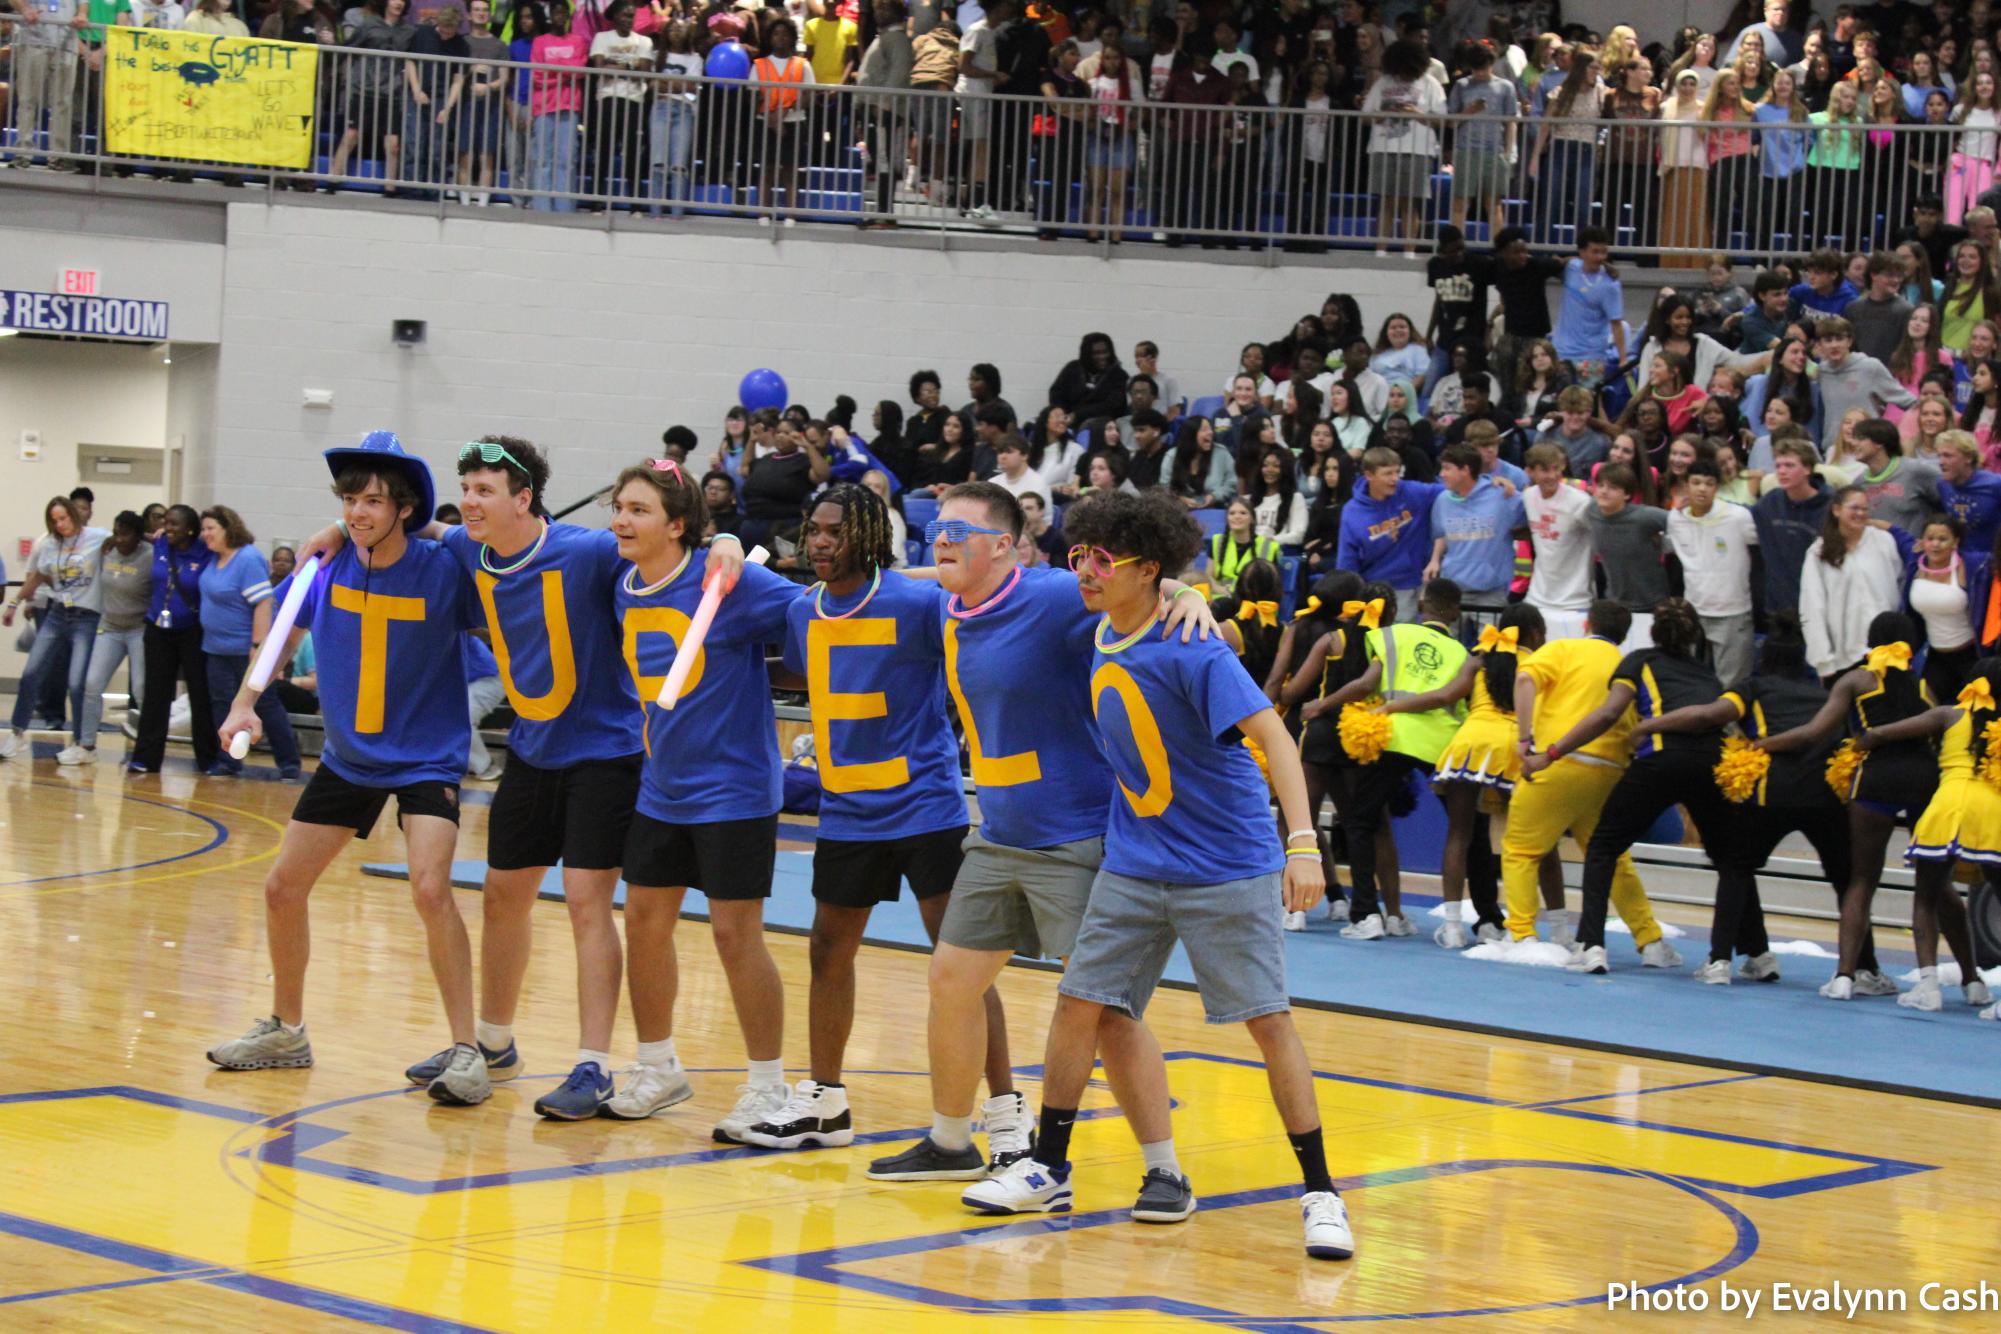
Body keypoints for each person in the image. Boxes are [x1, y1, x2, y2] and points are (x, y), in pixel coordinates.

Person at [958, 489, 1353, 1263]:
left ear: (1146, 569)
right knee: (1079, 1004)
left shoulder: (1193, 648)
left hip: (1226, 864)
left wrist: (1302, 843)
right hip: (1135, 860)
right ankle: (1051, 1163)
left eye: (1102, 559)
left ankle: (1321, 1193)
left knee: (1267, 1021)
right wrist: (1178, 588)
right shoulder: (1100, 629)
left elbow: (1275, 738)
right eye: (1078, 555)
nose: (1084, 571)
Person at [865, 481, 1211, 1188]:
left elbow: (1140, 582)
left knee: (1104, 1009)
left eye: (958, 533)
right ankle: (952, 1140)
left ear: (1005, 546)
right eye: (937, 530)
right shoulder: (950, 603)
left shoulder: (1054, 595)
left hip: (1074, 837)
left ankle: (1163, 1169)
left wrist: (1191, 593)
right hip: (997, 836)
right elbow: (912, 576)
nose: (941, 541)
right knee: (951, 980)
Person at [206, 436, 493, 1104]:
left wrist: (426, 525)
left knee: (429, 890)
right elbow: (279, 643)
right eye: (348, 501)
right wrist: (246, 703)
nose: (358, 513)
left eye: (372, 501)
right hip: (350, 758)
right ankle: (286, 1029)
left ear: (406, 508)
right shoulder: (320, 568)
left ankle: (466, 1050)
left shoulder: (442, 567)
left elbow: (498, 564)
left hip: (426, 755)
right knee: (282, 888)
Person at [743, 484, 1011, 1149]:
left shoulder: (919, 604)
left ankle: (1006, 1109)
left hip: (923, 807)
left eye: (834, 530)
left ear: (867, 534)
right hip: (846, 813)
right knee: (827, 949)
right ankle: (826, 1101)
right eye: (813, 530)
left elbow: (977, 627)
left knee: (960, 964)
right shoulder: (803, 612)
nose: (820, 541)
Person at [596, 458, 798, 1134]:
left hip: (734, 790)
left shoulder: (727, 584)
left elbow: (808, 614)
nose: (622, 519)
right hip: (662, 786)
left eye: (639, 510)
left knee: (734, 934)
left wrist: (731, 544)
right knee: (644, 924)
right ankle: (658, 1066)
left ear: (677, 525)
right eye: (619, 507)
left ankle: (768, 1084)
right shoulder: (624, 583)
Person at [1759, 614, 1944, 1000]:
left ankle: (1844, 976)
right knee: (1931, 890)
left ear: (1870, 641)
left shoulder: (1856, 681)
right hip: (1925, 781)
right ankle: (1935, 980)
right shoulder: (1923, 687)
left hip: (1875, 779)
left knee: (1862, 880)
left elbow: (1814, 732)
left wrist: (1761, 746)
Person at [1388, 606, 1556, 947]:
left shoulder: (1479, 656)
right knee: (1533, 840)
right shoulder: (1540, 663)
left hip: (1470, 745)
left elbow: (1443, 696)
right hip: (1513, 746)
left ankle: (1452, 928)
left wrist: (1389, 707)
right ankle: (1552, 929)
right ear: (1536, 632)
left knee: (1459, 834)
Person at [1314, 580, 1472, 941]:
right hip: (1443, 746)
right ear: (1457, 613)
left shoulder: (1393, 635)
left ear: (1421, 605)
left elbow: (1368, 683)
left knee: (1360, 822)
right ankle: (1471, 924)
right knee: (1465, 833)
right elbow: (1453, 697)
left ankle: (1366, 914)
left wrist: (1324, 704)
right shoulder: (1464, 653)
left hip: (1392, 737)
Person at [1504, 599, 1665, 950]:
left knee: (1521, 851)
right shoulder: (1630, 664)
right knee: (1613, 858)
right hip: (1609, 771)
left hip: (1556, 761)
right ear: (1624, 635)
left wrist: (1524, 738)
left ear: (1586, 624)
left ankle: (1521, 935)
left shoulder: (1563, 648)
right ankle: (1649, 939)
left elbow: (1525, 678)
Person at [1848, 666, 2001, 1012]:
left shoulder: (1951, 714)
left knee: (1926, 897)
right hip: (1992, 811)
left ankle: (1929, 988)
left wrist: (1867, 739)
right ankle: (1977, 990)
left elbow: (1887, 732)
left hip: (1947, 807)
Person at [0, 497, 109, 763]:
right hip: (58, 613)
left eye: (64, 518)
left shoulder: (98, 537)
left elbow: (126, 542)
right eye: (55, 520)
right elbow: (38, 576)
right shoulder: (49, 543)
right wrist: (14, 604)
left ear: (74, 515)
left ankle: (84, 744)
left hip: (87, 617)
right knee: (31, 673)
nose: (60, 524)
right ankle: (17, 732)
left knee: (76, 682)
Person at [197, 507, 301, 780]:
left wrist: (258, 646)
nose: (204, 534)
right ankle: (229, 761)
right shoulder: (213, 559)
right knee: (222, 704)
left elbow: (264, 603)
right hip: (215, 648)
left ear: (227, 528)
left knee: (265, 703)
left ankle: (289, 763)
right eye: (203, 528)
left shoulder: (247, 558)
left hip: (246, 649)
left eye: (210, 528)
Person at [125, 505, 216, 775]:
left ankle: (208, 759)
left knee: (199, 694)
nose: (168, 528)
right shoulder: (161, 542)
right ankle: (145, 758)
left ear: (190, 528)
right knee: (156, 694)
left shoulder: (204, 551)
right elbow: (133, 532)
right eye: (166, 522)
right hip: (157, 629)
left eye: (174, 524)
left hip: (191, 630)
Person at [1801, 486, 1911, 681]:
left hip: (1887, 652)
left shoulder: (1883, 541)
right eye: (1854, 508)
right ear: (1837, 510)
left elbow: (1898, 584)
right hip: (1844, 657)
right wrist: (1823, 660)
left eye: (1864, 509)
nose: (1860, 514)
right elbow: (1812, 607)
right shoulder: (1818, 552)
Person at [1667, 459, 1760, 685]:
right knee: (1691, 681)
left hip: (1733, 610)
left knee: (1732, 685)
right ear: (1686, 485)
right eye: (1696, 482)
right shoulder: (1675, 518)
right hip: (1693, 611)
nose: (1702, 489)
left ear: (1716, 487)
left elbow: (1758, 550)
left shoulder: (1738, 517)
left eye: (1709, 484)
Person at [74, 510, 153, 765]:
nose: (120, 539)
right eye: (116, 533)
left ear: (138, 536)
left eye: (126, 534)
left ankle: (145, 748)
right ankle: (86, 746)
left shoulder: (149, 556)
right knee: (92, 683)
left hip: (138, 629)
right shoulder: (107, 550)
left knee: (141, 688)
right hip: (109, 628)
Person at [1424, 443, 1525, 632]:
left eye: (1447, 468)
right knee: (1444, 648)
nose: (1442, 474)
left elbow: (1531, 516)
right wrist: (1435, 559)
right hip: (1453, 589)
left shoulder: (1502, 495)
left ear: (1465, 470)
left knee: (1491, 651)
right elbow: (1442, 533)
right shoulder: (1443, 500)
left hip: (1491, 591)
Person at [1336, 447, 1443, 622]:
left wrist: (1490, 482)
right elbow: (1347, 561)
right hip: (1374, 591)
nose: (1395, 479)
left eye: (1397, 472)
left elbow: (1453, 488)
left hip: (1413, 583)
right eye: (1387, 474)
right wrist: (1348, 600)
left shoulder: (1412, 491)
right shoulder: (1352, 512)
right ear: (1369, 475)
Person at [1586, 466, 1670, 649]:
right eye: (1600, 485)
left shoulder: (1644, 517)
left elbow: (1680, 523)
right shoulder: (1591, 510)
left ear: (1627, 495)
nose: (1604, 491)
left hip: (1651, 604)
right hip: (1614, 605)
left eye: (1612, 487)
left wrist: (1665, 545)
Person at [1810, 316, 1916, 454]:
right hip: (1833, 451)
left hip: (1867, 449)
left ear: (1849, 341)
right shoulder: (1821, 372)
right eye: (1828, 340)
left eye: (1839, 339)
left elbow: (1908, 401)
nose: (1834, 345)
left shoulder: (1870, 367)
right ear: (1820, 345)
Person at [1907, 513, 1979, 703]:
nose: (1935, 544)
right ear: (1923, 541)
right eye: (1930, 538)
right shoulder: (1914, 564)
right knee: (1925, 708)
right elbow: (1897, 534)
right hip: (1935, 655)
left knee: (1977, 714)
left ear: (1955, 542)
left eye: (1942, 539)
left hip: (1971, 655)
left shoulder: (1972, 566)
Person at [1552, 228, 1626, 391]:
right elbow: (1558, 262)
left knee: (1587, 405)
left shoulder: (1611, 285)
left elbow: (1616, 324)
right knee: (1559, 402)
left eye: (1604, 252)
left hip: (1592, 357)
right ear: (1582, 252)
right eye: (1595, 252)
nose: (1600, 257)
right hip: (1562, 352)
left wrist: (1623, 359)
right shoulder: (1571, 268)